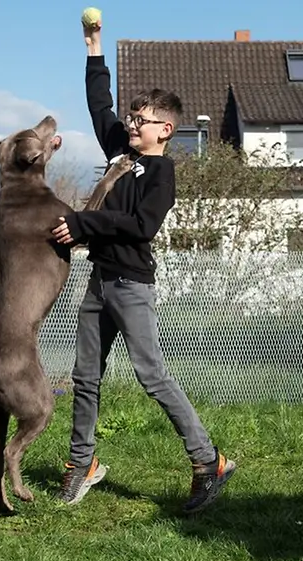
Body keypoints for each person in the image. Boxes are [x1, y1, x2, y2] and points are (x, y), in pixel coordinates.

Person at [50, 15, 236, 514]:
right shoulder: (119, 153)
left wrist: (85, 226)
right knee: (85, 377)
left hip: (131, 285)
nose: (131, 123)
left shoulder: (162, 172)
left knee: (152, 376)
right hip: (99, 283)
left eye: (142, 119)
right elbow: (99, 104)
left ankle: (207, 461)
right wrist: (94, 48)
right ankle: (82, 464)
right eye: (132, 118)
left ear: (166, 129)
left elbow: (140, 225)